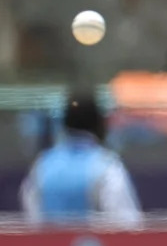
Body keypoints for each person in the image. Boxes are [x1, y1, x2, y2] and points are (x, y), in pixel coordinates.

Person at [20, 89, 142, 228]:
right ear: (98, 124)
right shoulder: (106, 166)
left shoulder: (42, 165)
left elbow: (32, 221)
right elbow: (126, 225)